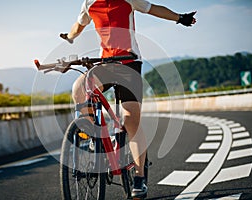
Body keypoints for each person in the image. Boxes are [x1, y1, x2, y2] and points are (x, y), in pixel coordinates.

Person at [60, 0, 196, 198]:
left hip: (129, 63)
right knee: (79, 87)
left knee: (130, 119)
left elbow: (153, 9)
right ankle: (93, 135)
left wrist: (179, 18)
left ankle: (139, 177)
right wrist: (70, 37)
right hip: (105, 63)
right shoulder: (89, 3)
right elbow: (80, 24)